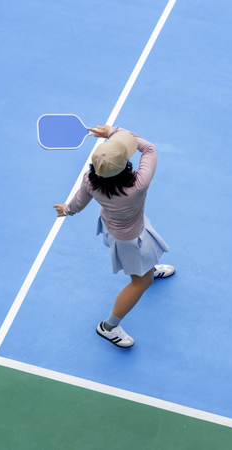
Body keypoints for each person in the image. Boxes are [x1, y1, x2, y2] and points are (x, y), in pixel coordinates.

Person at [53, 125, 174, 348]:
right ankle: (108, 327)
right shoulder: (138, 185)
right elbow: (149, 149)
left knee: (145, 259)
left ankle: (147, 267)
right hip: (130, 240)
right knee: (140, 283)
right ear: (124, 167)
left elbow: (78, 202)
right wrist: (114, 131)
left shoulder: (91, 180)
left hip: (114, 227)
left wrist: (67, 210)